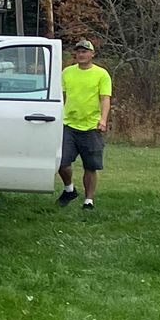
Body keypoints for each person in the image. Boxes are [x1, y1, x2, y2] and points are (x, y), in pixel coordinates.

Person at [59, 37, 113, 209]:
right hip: (69, 124)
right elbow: (60, 96)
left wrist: (103, 120)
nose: (81, 55)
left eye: (84, 52)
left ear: (92, 54)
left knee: (90, 165)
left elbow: (105, 98)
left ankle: (88, 200)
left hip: (91, 126)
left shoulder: (101, 74)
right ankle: (69, 189)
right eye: (78, 52)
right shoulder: (67, 72)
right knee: (61, 162)